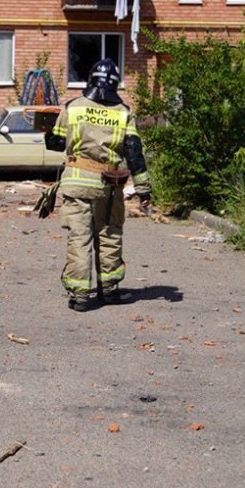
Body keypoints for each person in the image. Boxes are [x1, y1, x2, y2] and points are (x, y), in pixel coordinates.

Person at [45, 58, 151, 311]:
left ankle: (80, 297)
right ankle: (111, 291)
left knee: (79, 239)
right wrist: (144, 189)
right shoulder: (123, 112)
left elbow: (56, 144)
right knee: (110, 236)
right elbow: (134, 153)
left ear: (91, 81)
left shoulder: (73, 107)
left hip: (75, 185)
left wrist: (46, 129)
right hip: (109, 187)